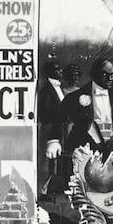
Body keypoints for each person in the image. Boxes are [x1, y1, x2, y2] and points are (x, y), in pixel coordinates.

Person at [47, 58, 113, 172]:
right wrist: (54, 141)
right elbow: (59, 117)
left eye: (112, 75)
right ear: (94, 74)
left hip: (109, 148)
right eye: (105, 74)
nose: (110, 78)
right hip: (83, 148)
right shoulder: (76, 96)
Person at [37, 60, 66, 194]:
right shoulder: (46, 90)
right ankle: (43, 190)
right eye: (57, 69)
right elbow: (47, 115)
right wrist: (52, 138)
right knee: (47, 161)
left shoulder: (57, 87)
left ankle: (48, 189)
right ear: (50, 72)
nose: (60, 71)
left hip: (57, 130)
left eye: (60, 69)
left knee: (53, 163)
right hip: (49, 132)